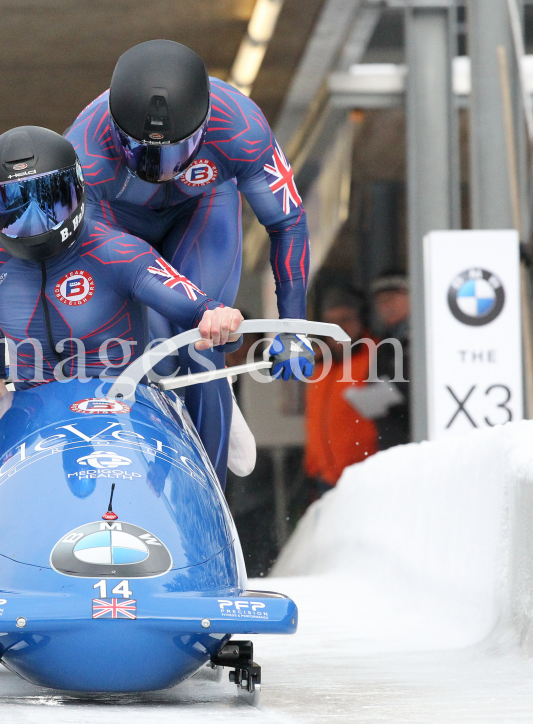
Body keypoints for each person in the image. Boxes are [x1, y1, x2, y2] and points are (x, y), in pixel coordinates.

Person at [65, 39, 313, 487]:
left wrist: (293, 324)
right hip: (119, 231)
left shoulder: (241, 127)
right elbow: (101, 257)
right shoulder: (83, 149)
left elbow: (287, 222)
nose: (160, 168)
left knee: (198, 342)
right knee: (148, 345)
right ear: (115, 132)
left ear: (204, 126)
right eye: (143, 152)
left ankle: (209, 494)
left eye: (176, 152)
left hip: (202, 210)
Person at [0, 126, 243, 462]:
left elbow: (199, 309)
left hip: (123, 411)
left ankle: (221, 407)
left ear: (76, 190)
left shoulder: (117, 253)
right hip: (34, 418)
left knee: (179, 350)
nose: (33, 224)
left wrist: (220, 318)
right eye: (14, 207)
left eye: (47, 202)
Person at [303, 287, 378, 499]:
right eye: (331, 323)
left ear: (361, 320)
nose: (338, 329)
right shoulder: (318, 363)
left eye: (346, 319)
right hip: (324, 480)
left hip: (366, 479)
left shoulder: (377, 355)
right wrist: (313, 466)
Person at [370, 272, 411, 449]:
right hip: (390, 440)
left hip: (418, 438)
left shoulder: (426, 338)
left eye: (391, 299)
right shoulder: (383, 345)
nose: (385, 306)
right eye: (380, 302)